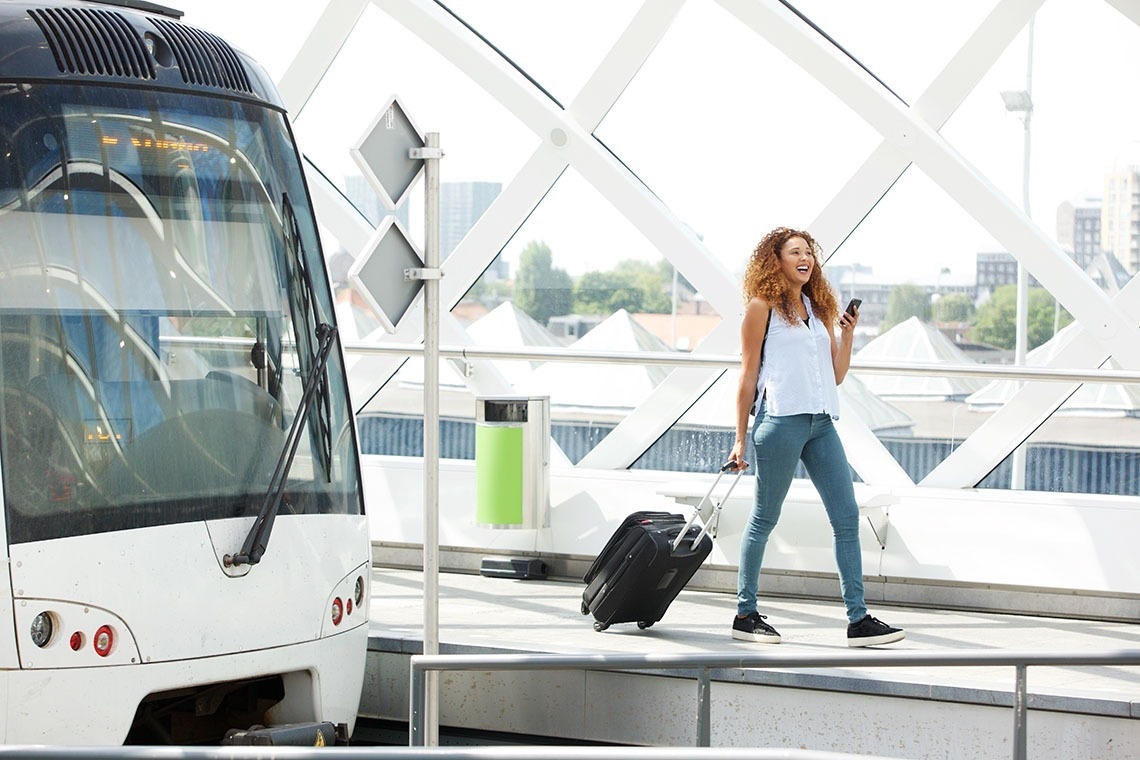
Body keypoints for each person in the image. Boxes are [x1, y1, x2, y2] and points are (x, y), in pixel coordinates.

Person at [726, 227, 904, 647]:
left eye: (809, 252)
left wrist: (847, 335)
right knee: (764, 520)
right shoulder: (760, 307)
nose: (804, 258)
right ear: (776, 260)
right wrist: (739, 438)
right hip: (780, 421)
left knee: (845, 518)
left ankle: (858, 620)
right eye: (795, 252)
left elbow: (836, 376)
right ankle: (745, 613)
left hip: (821, 424)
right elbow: (748, 376)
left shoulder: (817, 307)